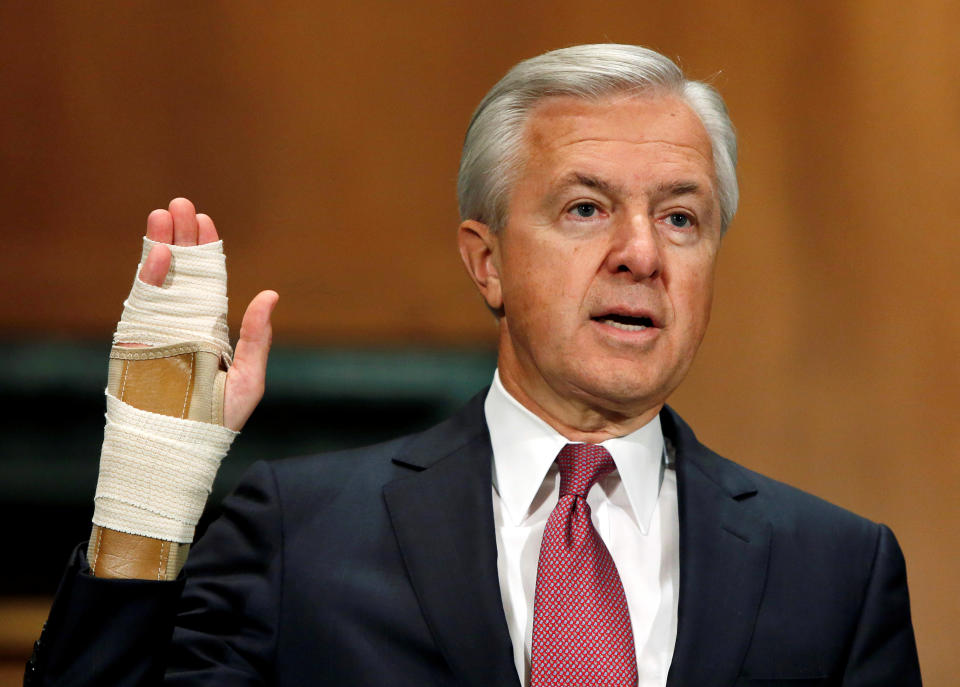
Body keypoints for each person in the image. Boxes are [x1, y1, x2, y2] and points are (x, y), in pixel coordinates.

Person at [26, 44, 921, 686]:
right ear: (485, 260)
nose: (642, 254)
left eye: (681, 218)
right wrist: (143, 502)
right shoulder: (303, 535)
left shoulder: (837, 569)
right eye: (584, 208)